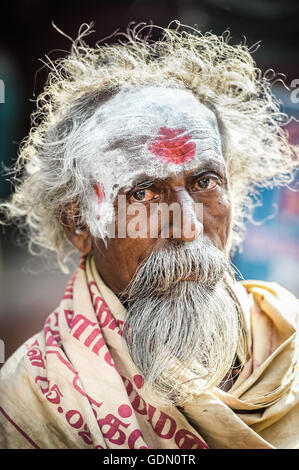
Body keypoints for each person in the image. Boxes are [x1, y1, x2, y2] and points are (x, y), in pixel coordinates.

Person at [0, 22, 298, 450]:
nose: (189, 226)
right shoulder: (33, 399)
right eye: (142, 192)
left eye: (205, 182)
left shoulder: (288, 338)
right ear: (79, 223)